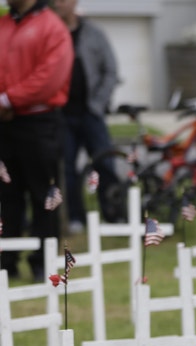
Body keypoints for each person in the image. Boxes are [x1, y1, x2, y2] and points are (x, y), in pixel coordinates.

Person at [0, 0, 73, 282]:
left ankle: (43, 261)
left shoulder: (51, 27)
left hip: (39, 123)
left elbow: (49, 77)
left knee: (44, 194)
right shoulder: (5, 23)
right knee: (7, 195)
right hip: (6, 123)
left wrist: (8, 98)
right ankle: (7, 261)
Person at [52, 0, 120, 231]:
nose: (58, 3)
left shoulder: (94, 33)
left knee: (105, 163)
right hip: (63, 115)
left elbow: (110, 70)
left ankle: (113, 213)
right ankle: (75, 218)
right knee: (67, 169)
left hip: (91, 113)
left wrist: (98, 103)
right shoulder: (52, 32)